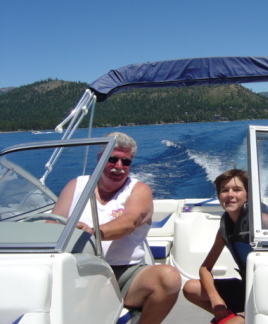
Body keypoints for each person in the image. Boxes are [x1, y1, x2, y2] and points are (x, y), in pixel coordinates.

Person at [51, 132, 181, 324]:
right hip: (77, 270)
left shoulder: (139, 190)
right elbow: (52, 224)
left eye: (125, 162)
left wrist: (92, 233)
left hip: (125, 273)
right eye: (112, 159)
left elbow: (129, 222)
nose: (119, 167)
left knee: (168, 278)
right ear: (99, 158)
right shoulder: (76, 186)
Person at [182, 168, 268, 324]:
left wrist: (250, 311)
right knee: (190, 288)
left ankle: (242, 317)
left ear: (247, 195)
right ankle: (231, 316)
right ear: (218, 196)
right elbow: (205, 268)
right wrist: (216, 300)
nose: (230, 195)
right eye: (224, 190)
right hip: (248, 288)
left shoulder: (263, 221)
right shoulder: (226, 228)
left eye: (237, 190)